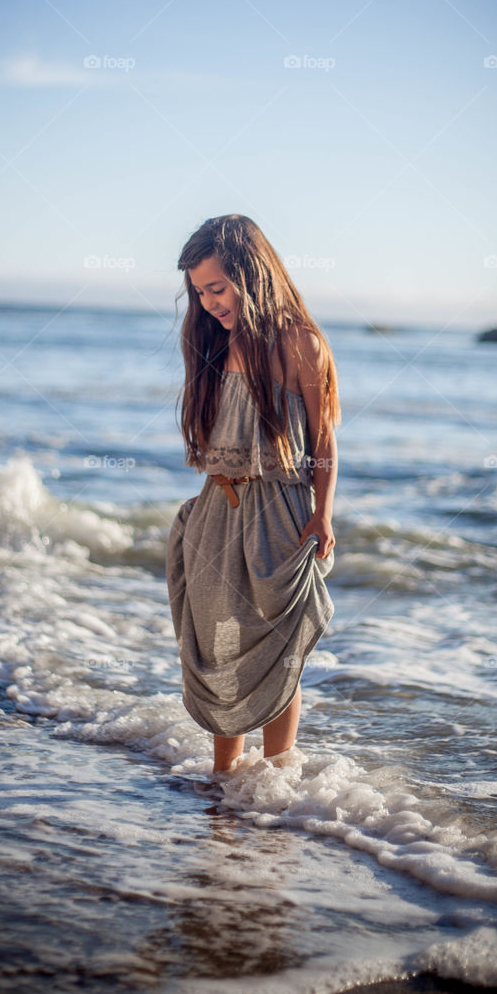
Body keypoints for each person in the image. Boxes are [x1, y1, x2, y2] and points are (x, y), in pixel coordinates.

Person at [166, 214, 340, 779]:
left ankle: (277, 784)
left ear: (251, 272)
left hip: (279, 515)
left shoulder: (301, 344)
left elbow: (321, 442)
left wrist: (323, 513)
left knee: (276, 649)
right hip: (218, 510)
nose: (210, 302)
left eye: (217, 288)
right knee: (221, 645)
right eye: (200, 292)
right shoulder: (217, 339)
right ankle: (225, 782)